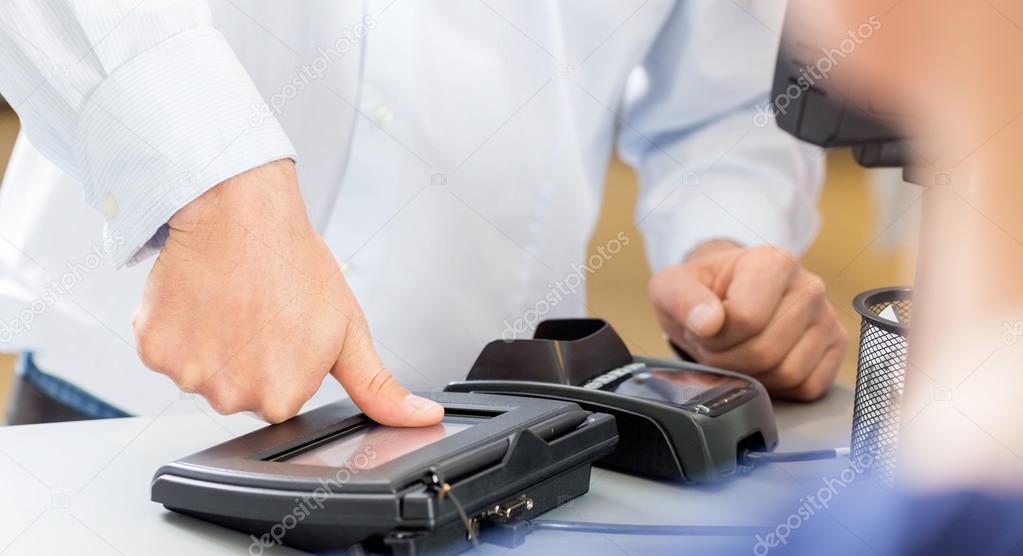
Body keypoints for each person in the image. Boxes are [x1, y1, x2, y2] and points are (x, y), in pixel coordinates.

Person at [0, 0, 845, 426]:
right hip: (126, 403)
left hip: (490, 432)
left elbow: (727, 95)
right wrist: (209, 183)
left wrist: (725, 238)